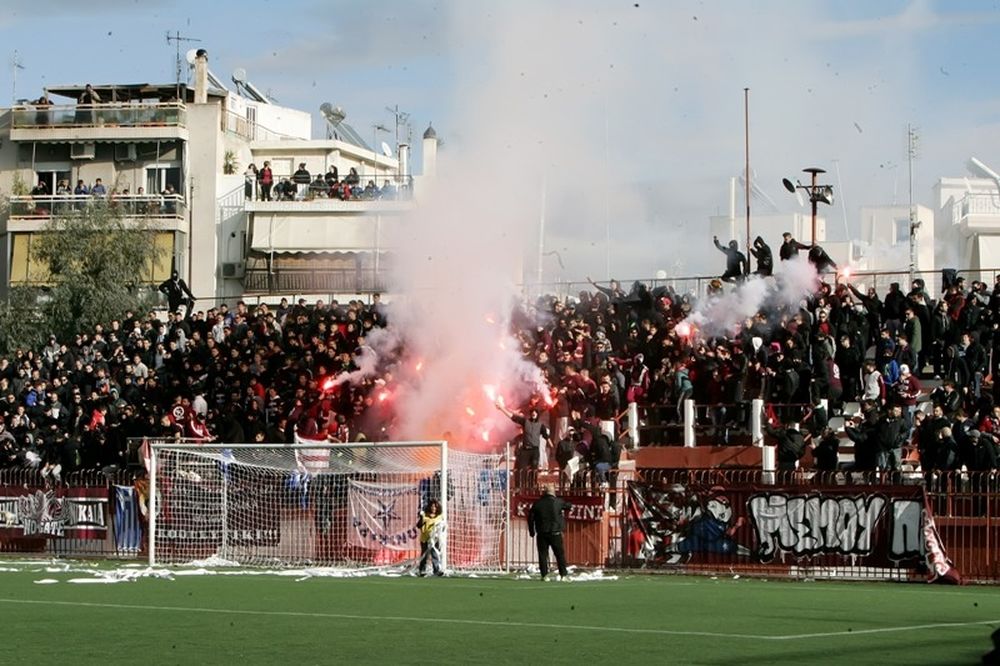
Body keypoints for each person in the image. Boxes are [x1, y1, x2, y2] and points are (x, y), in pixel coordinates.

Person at [527, 483, 572, 581]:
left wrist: (531, 531)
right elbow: (568, 506)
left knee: (543, 554)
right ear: (553, 492)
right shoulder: (558, 502)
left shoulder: (537, 503)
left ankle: (544, 575)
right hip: (555, 532)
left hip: (542, 532)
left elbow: (530, 518)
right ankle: (563, 574)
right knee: (559, 554)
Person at [416, 499, 445, 577]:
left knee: (434, 554)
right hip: (425, 538)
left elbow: (443, 527)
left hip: (434, 539)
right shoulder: (425, 515)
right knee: (424, 555)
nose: (434, 508)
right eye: (432, 506)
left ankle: (436, 570)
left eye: (435, 507)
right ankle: (422, 570)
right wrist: (421, 518)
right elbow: (418, 526)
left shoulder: (440, 516)